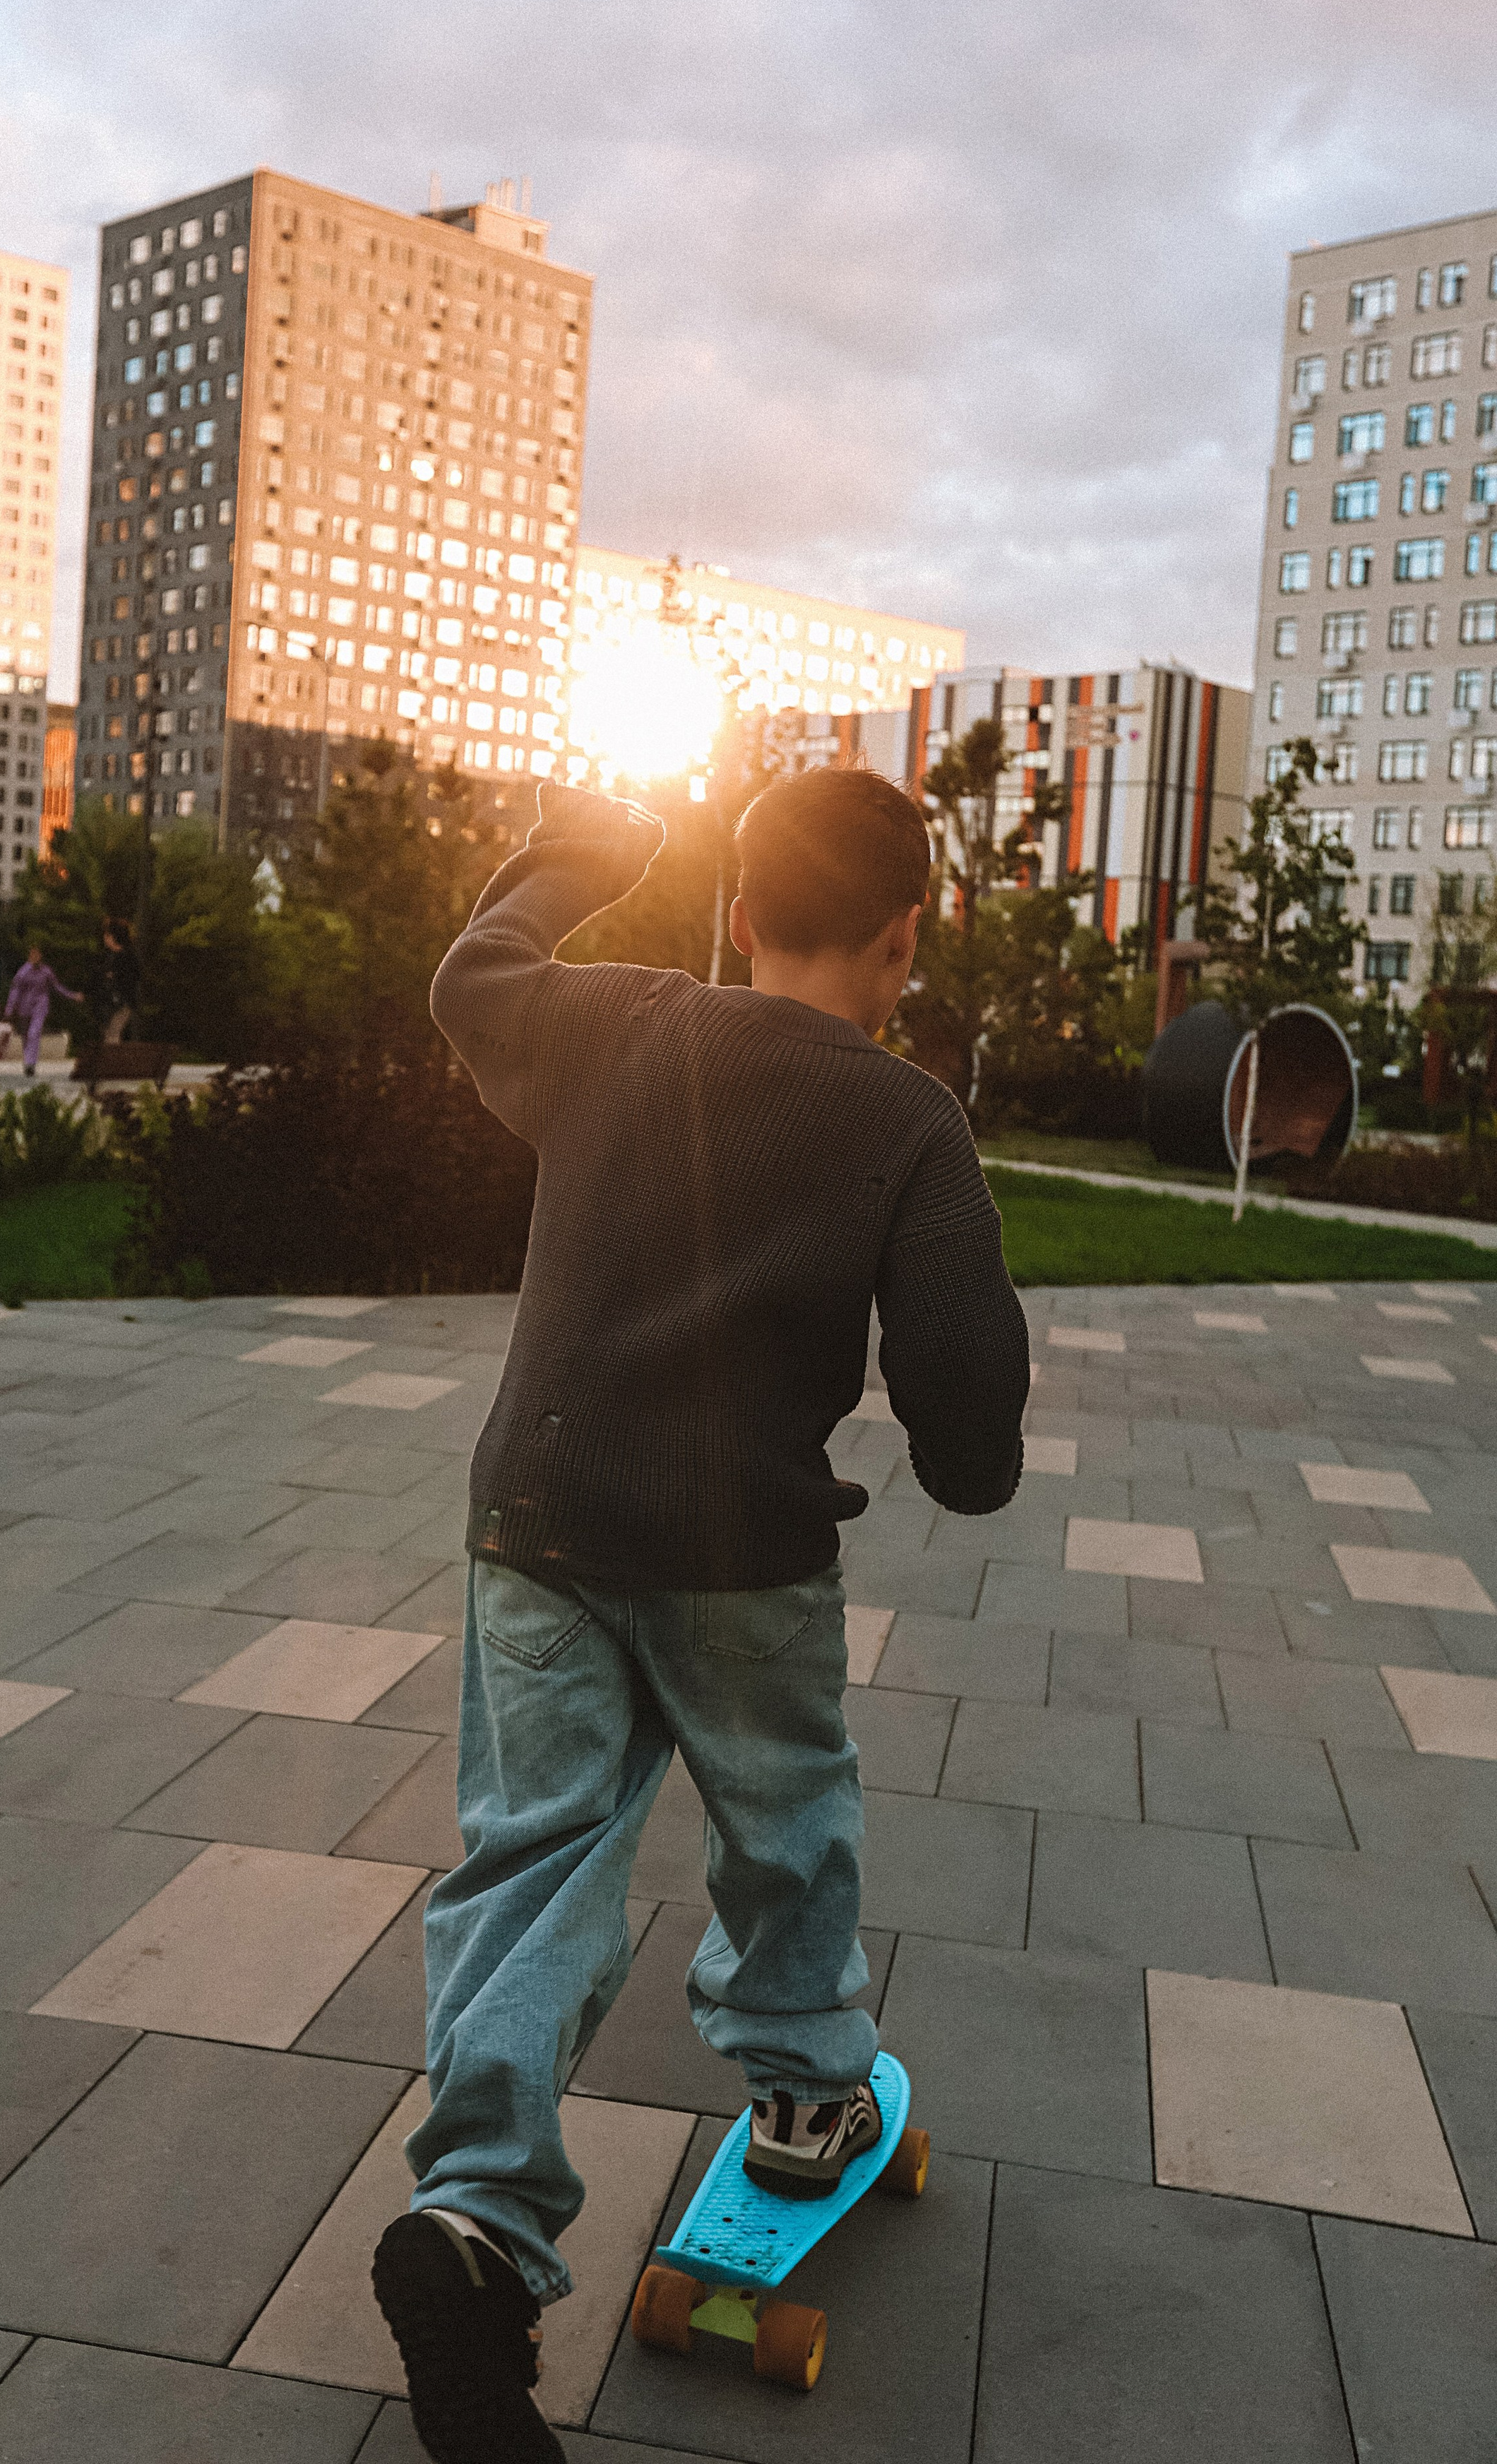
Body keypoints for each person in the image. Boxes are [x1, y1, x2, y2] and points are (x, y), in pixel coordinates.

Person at [371, 769, 1031, 2463]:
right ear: (902, 940)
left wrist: (582, 854)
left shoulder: (614, 1026)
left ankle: (477, 2222)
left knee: (532, 1860)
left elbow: (467, 977)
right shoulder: (905, 1119)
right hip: (741, 1553)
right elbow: (959, 1383)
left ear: (737, 915)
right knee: (783, 1816)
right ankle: (811, 2084)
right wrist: (968, 1453)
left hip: (537, 1515)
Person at [0, 945, 83, 1076]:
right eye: (33, 955)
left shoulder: (46, 971)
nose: (35, 957)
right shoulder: (23, 972)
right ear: (29, 956)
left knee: (34, 1033)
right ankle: (28, 1062)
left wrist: (72, 995)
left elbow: (57, 986)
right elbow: (15, 991)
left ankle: (30, 1064)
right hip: (24, 1008)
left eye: (37, 955)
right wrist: (9, 1010)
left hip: (40, 1006)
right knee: (26, 1036)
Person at [100, 917, 141, 1046]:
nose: (105, 938)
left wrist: (114, 976)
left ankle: (112, 1062)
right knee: (109, 1033)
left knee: (113, 1033)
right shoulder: (111, 956)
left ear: (113, 937)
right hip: (111, 1002)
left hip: (122, 1003)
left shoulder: (126, 956)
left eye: (107, 935)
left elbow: (132, 978)